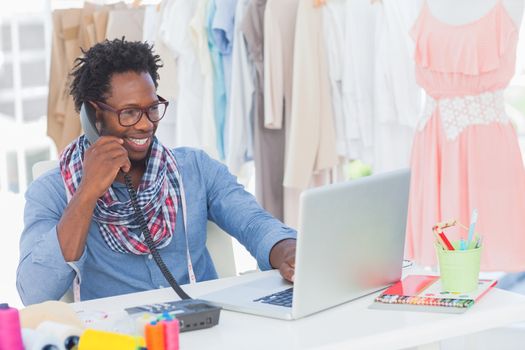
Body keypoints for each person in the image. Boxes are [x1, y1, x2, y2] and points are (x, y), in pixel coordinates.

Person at [17, 38, 297, 305]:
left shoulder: (195, 169)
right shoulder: (52, 191)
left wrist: (287, 251)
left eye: (152, 109)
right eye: (129, 112)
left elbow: (254, 223)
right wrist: (87, 192)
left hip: (205, 329)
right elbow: (34, 292)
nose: (145, 125)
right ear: (94, 116)